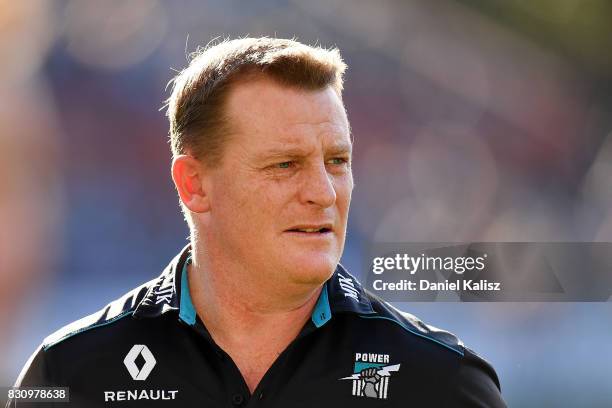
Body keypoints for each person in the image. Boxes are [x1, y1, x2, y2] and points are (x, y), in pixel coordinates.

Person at [7, 37, 506, 407]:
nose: (323, 193)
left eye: (337, 161)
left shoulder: (442, 382)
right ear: (194, 186)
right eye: (284, 165)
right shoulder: (69, 374)